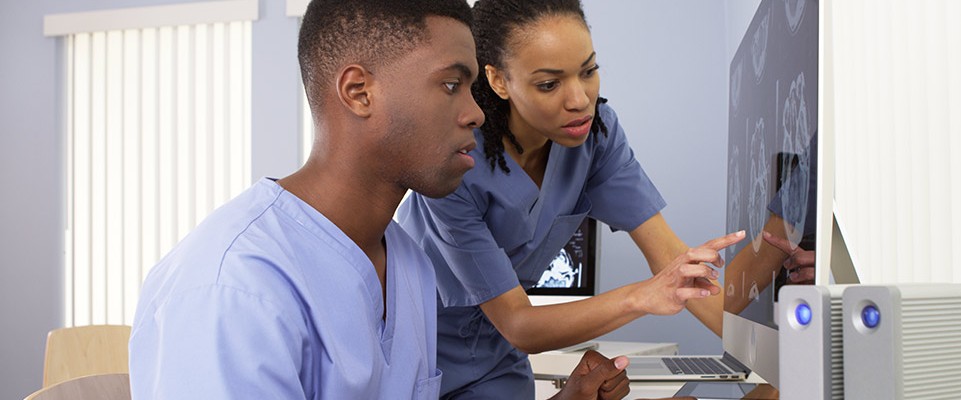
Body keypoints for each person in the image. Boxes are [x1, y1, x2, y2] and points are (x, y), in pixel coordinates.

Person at [128, 0, 631, 398]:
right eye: (452, 84)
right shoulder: (233, 289)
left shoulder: (407, 265)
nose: (477, 114)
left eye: (474, 88)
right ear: (358, 92)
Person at [396, 0, 744, 398]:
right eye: (549, 84)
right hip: (420, 350)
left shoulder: (595, 136)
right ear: (499, 80)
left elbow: (670, 258)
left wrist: (777, 363)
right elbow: (519, 324)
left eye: (589, 71)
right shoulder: (456, 159)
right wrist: (642, 295)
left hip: (497, 355)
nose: (579, 99)